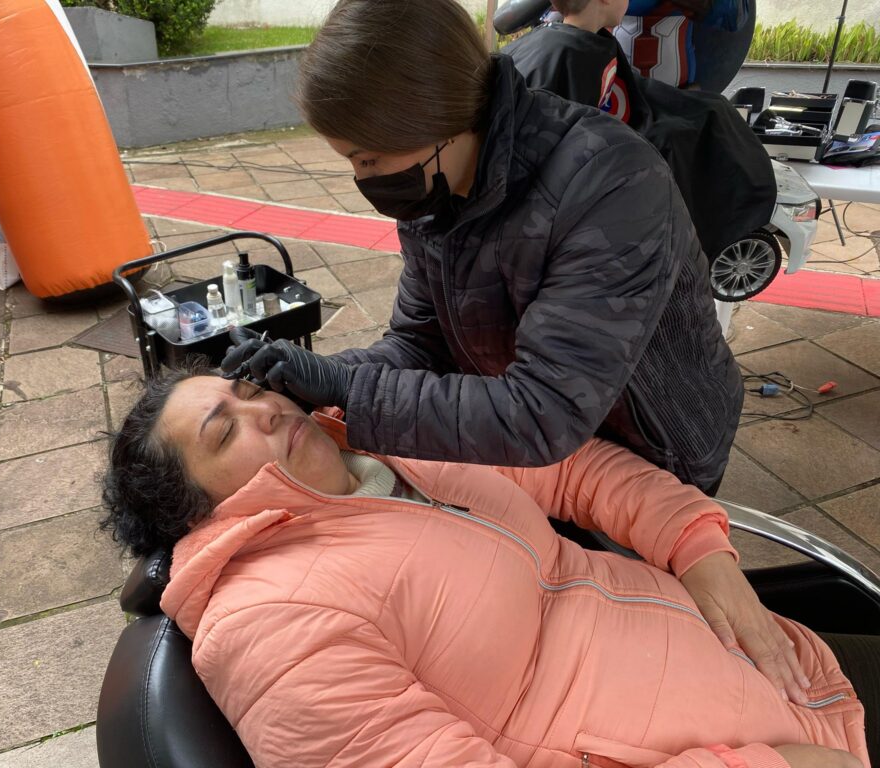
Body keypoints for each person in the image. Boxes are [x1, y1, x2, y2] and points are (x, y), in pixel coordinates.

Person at [101, 366, 877, 768]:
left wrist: (698, 548)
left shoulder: (387, 443)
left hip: (774, 661)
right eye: (223, 430)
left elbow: (571, 468)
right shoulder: (272, 623)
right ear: (195, 510)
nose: (266, 408)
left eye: (248, 390)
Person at [222, 0, 745, 495]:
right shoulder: (435, 192)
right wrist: (313, 375)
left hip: (654, 441)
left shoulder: (610, 184)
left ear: (432, 120)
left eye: (368, 159)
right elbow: (419, 344)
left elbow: (544, 410)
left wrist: (349, 390)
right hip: (538, 448)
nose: (363, 178)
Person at [502, 0, 777, 267]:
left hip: (637, 97)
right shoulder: (562, 55)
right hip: (601, 143)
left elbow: (733, 16)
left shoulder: (583, 47)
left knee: (711, 117)